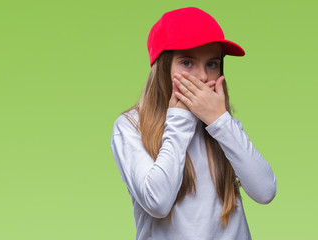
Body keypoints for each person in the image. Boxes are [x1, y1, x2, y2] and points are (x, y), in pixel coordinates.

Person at [110, 6, 277, 240]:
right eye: (187, 63)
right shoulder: (129, 126)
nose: (202, 77)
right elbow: (157, 202)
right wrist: (179, 119)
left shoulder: (223, 126)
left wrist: (220, 122)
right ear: (162, 69)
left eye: (212, 64)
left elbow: (265, 191)